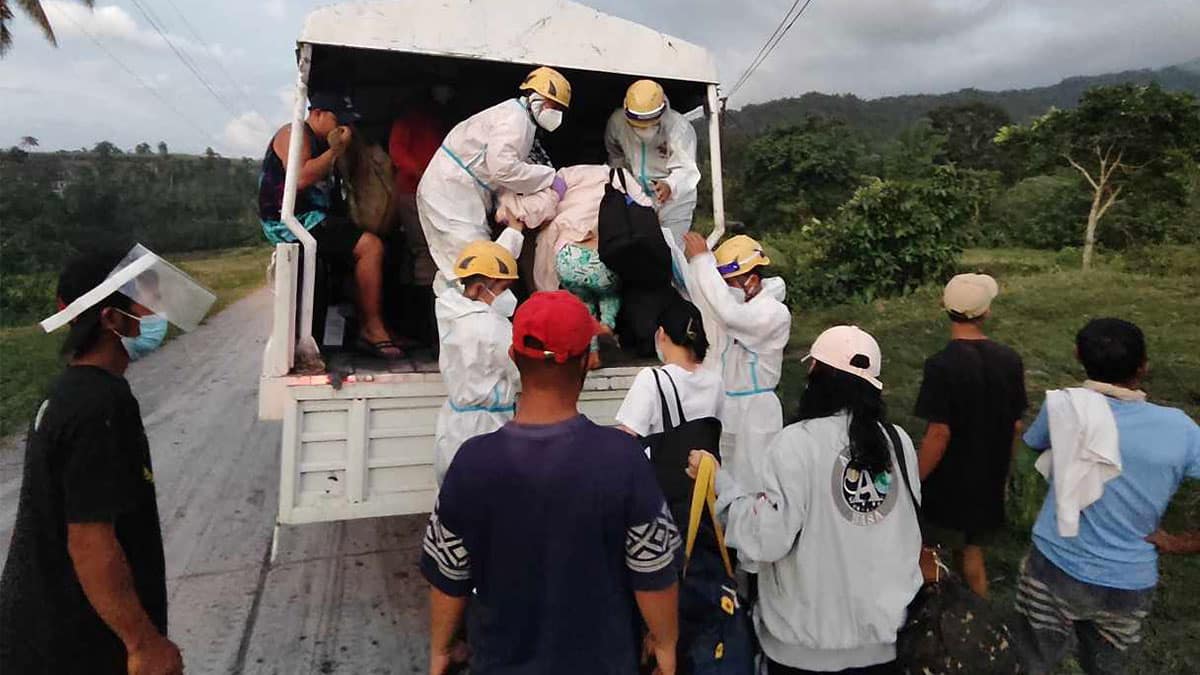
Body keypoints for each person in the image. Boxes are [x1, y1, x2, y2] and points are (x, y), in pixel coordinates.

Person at [421, 291, 681, 674]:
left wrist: (441, 649)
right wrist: (665, 644)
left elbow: (449, 576)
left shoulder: (473, 462)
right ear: (585, 362)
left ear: (513, 358)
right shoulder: (622, 459)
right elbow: (653, 571)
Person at [693, 325, 922, 675]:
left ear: (817, 374)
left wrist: (721, 485)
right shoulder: (899, 441)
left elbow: (765, 539)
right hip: (886, 643)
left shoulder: (796, 443)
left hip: (804, 647)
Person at [0, 253, 184, 674]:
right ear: (110, 319)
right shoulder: (99, 406)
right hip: (74, 645)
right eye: (146, 305)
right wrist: (144, 643)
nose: (156, 315)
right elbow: (89, 541)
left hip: (46, 633)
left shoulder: (69, 393)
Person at [1014, 318, 1200, 675]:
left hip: (1054, 562)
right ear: (1144, 366)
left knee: (1031, 661)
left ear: (1077, 356)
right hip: (1129, 580)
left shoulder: (1064, 407)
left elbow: (1028, 453)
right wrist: (1181, 543)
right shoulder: (1181, 429)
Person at [258, 92, 401, 360]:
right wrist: (336, 151)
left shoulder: (324, 143)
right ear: (318, 114)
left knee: (388, 242)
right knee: (370, 247)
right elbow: (299, 178)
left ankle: (377, 323)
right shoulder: (295, 134)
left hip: (317, 218)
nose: (343, 129)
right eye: (338, 121)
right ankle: (371, 328)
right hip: (291, 221)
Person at [914, 273, 1027, 598]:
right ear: (986, 312)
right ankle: (981, 614)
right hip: (986, 477)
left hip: (947, 481)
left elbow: (938, 433)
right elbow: (1016, 426)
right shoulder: (1010, 360)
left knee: (927, 550)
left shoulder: (941, 364)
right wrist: (1003, 471)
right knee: (972, 552)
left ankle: (933, 621)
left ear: (944, 307)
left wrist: (915, 479)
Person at [418, 67, 572, 292]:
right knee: (475, 268)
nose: (556, 113)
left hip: (458, 190)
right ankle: (470, 319)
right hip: (451, 193)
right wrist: (549, 178)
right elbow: (504, 169)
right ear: (538, 99)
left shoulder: (520, 119)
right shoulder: (514, 120)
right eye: (554, 106)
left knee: (458, 267)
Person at [682, 231, 790, 487]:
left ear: (752, 281)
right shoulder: (745, 307)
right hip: (731, 407)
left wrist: (702, 262)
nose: (724, 290)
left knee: (757, 485)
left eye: (728, 283)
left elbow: (729, 316)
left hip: (758, 413)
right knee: (727, 482)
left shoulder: (773, 313)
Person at [432, 241, 521, 486]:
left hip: (453, 423)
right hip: (488, 427)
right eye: (504, 288)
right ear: (481, 288)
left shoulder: (450, 310)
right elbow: (521, 373)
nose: (509, 296)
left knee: (455, 497)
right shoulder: (492, 327)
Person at [386, 86, 451, 348]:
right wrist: (426, 175)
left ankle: (430, 330)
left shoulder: (439, 123)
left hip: (436, 195)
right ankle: (428, 331)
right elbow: (398, 154)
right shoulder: (408, 121)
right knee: (426, 254)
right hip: (415, 194)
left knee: (432, 256)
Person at [605, 79, 701, 248]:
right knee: (637, 248)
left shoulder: (679, 128)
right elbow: (615, 155)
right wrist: (623, 183)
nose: (643, 130)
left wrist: (670, 185)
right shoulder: (617, 122)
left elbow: (687, 170)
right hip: (636, 194)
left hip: (674, 200)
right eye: (638, 125)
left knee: (672, 250)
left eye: (649, 124)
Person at [616, 299, 721, 439]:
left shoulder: (651, 379)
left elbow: (627, 436)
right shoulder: (715, 381)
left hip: (663, 461)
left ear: (661, 334)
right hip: (704, 460)